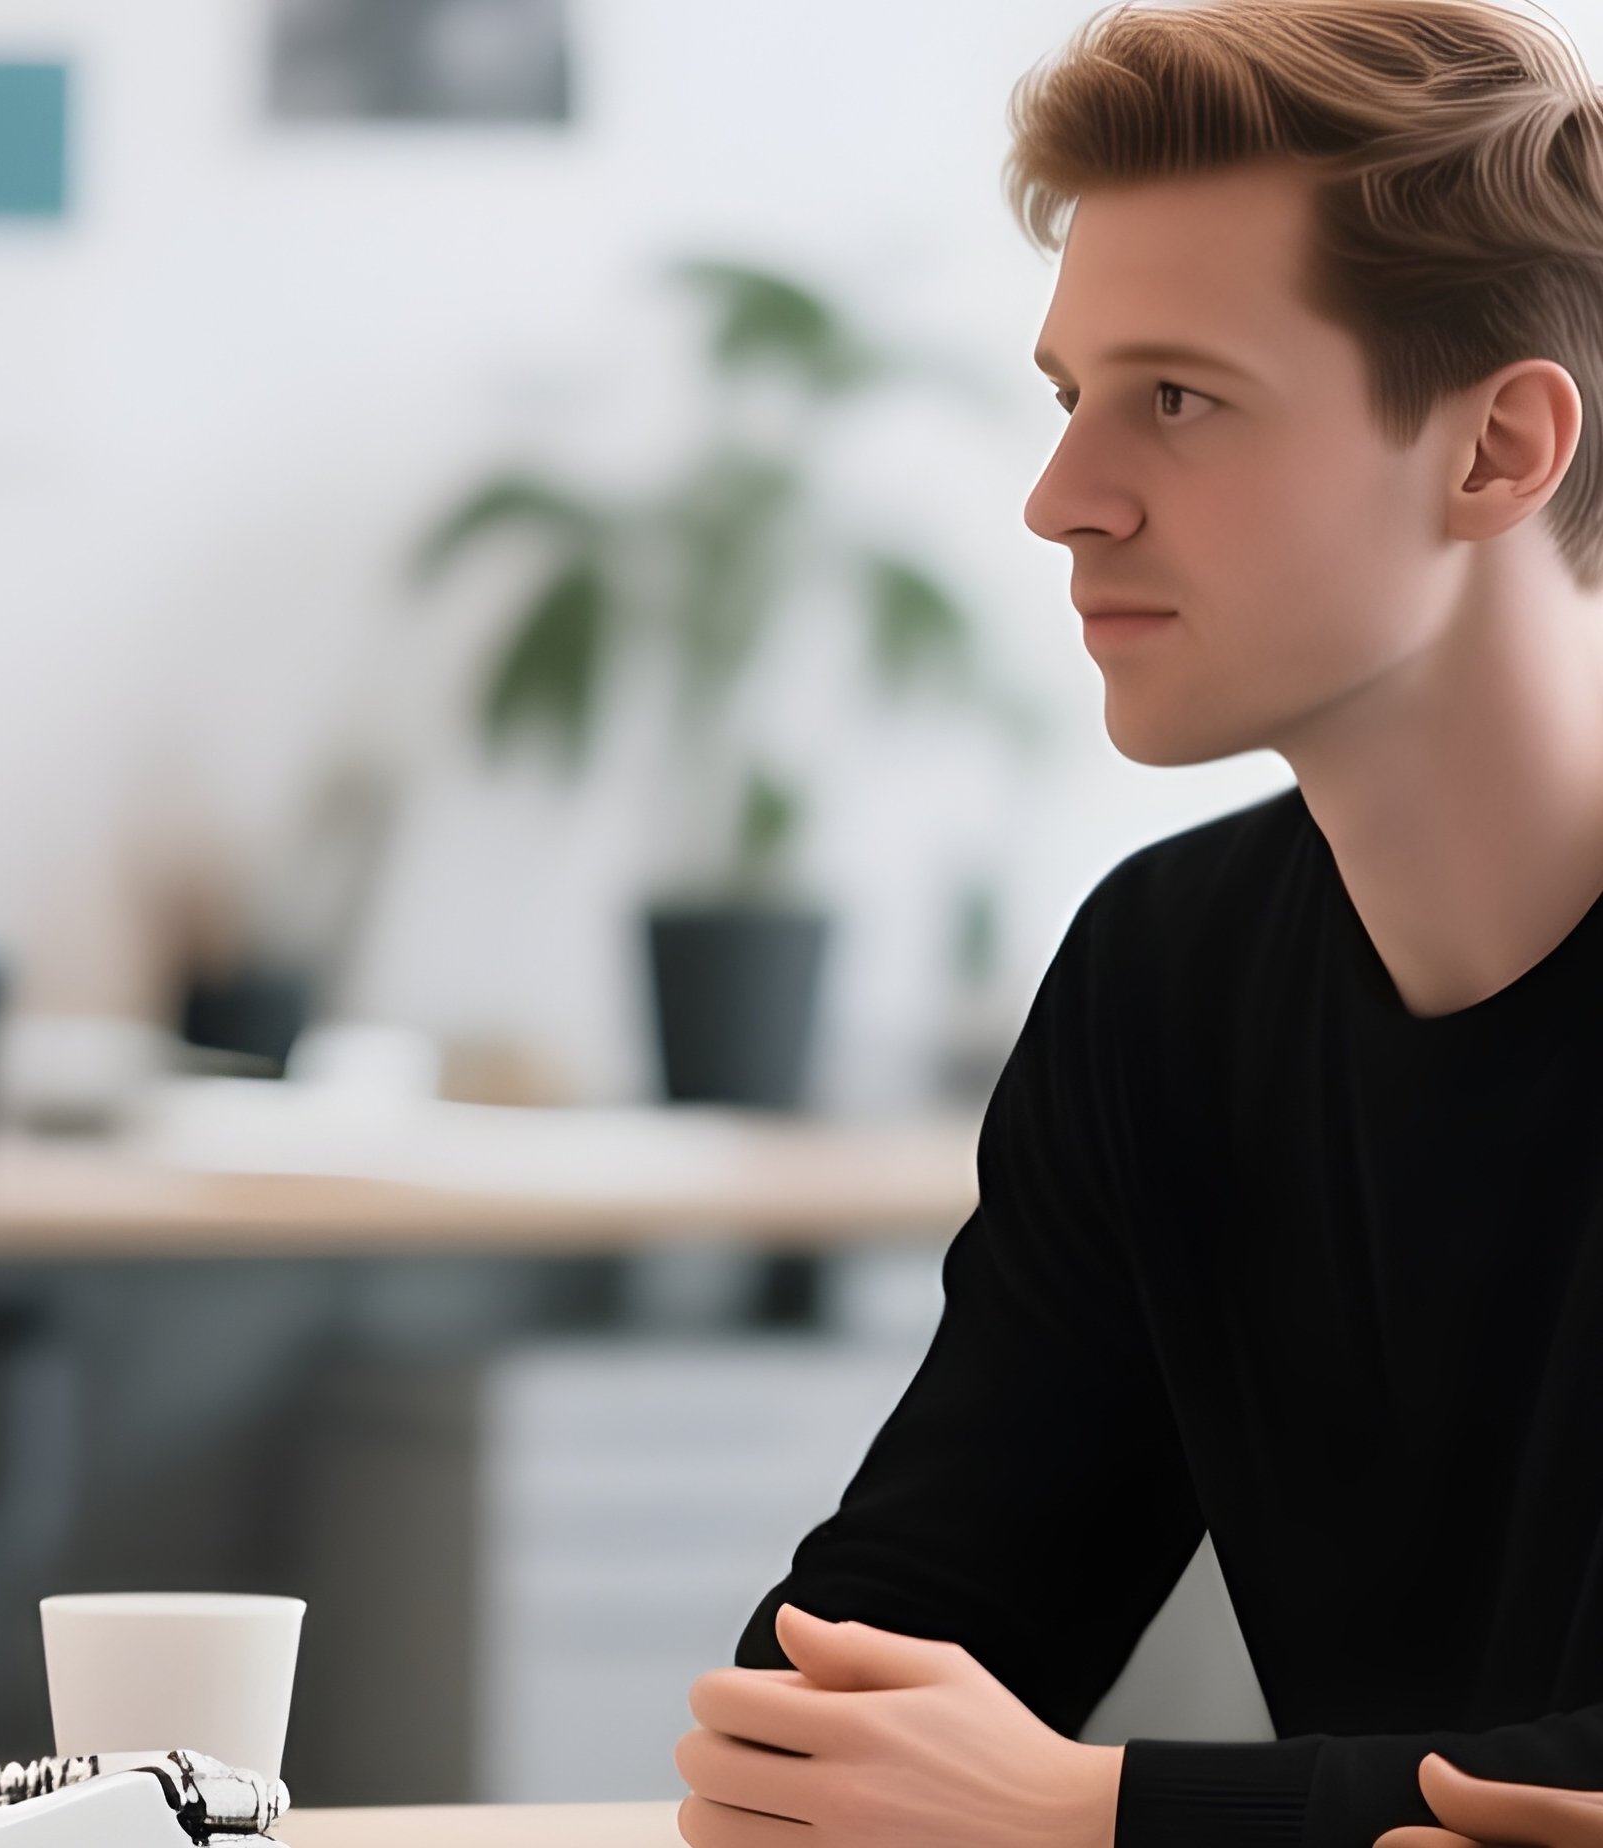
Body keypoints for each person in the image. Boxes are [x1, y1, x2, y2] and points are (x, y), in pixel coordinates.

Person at [669, 2, 1603, 1845]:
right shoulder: (1166, 977)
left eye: (1176, 397)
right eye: (1066, 397)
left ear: (1496, 451)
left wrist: (1099, 1812)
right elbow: (834, 1705)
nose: (1059, 500)